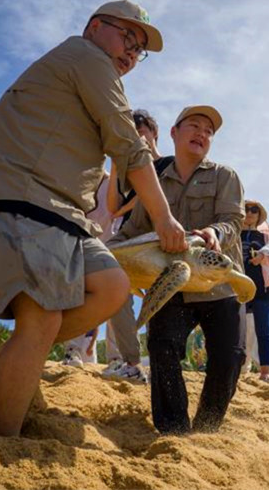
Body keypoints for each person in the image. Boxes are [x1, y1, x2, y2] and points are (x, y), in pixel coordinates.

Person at [0, 0, 187, 437]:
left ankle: (5, 361)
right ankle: (2, 444)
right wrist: (165, 218)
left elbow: (115, 173)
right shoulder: (87, 56)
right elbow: (128, 146)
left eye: (139, 50)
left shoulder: (88, 70)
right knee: (42, 320)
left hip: (61, 212)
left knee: (111, 287)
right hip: (23, 195)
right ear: (95, 27)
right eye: (127, 37)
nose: (131, 52)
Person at [110, 105, 245, 434]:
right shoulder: (154, 183)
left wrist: (214, 233)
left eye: (209, 131)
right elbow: (131, 231)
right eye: (195, 126)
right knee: (162, 347)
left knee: (229, 358)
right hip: (172, 283)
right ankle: (174, 431)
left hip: (218, 282)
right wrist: (101, 252)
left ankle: (207, 428)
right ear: (173, 132)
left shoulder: (225, 176)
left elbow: (232, 222)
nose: (202, 134)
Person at [98, 109, 166, 383]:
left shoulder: (169, 165)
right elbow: (113, 207)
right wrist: (117, 162)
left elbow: (152, 197)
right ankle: (132, 362)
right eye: (131, 134)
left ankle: (160, 361)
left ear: (154, 133)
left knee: (159, 302)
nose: (136, 137)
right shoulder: (129, 171)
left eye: (141, 132)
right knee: (115, 288)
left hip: (158, 236)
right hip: (128, 236)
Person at [239, 200, 269, 382]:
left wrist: (262, 255)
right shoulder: (234, 234)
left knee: (263, 330)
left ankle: (265, 371)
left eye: (254, 210)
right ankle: (236, 369)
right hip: (238, 287)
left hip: (263, 288)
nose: (250, 212)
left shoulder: (265, 238)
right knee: (235, 331)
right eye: (246, 209)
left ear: (259, 215)